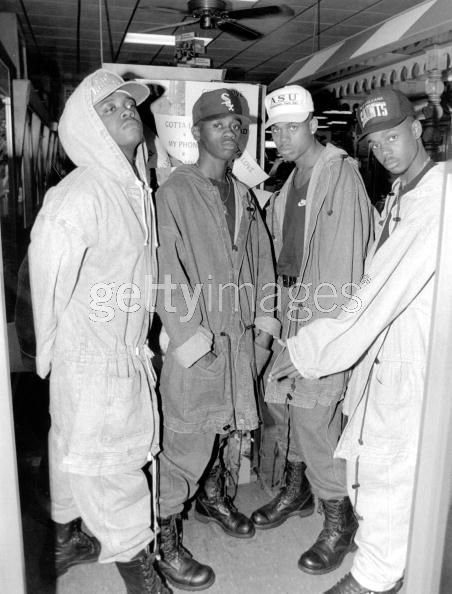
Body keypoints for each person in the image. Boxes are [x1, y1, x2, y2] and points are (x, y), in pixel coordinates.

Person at [270, 87, 446, 593]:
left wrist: (310, 350)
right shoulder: (402, 192)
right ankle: (384, 566)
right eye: (375, 141)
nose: (385, 150)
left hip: (409, 352)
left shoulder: (436, 200)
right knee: (376, 459)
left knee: (386, 466)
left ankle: (374, 579)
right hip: (383, 344)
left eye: (394, 136)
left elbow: (374, 291)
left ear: (417, 129)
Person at [28, 68, 171, 594]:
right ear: (86, 130)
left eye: (128, 103)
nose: (126, 109)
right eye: (108, 108)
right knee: (113, 470)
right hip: (93, 360)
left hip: (115, 352)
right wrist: (48, 353)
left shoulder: (132, 189)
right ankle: (141, 578)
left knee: (75, 453)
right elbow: (45, 279)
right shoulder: (82, 193)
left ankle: (67, 539)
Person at [154, 87, 280, 591]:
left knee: (225, 430)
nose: (230, 133)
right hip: (198, 345)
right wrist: (191, 342)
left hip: (238, 341)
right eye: (218, 124)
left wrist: (265, 330)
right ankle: (161, 539)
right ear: (196, 131)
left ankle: (212, 498)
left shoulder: (244, 196)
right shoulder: (174, 193)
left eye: (237, 126)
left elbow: (264, 266)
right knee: (185, 441)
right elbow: (165, 271)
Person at [250, 84, 374, 576]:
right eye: (275, 129)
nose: (281, 137)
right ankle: (298, 489)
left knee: (315, 414)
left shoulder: (339, 175)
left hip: (323, 312)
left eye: (290, 127)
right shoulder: (292, 178)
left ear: (313, 125)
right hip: (291, 306)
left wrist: (324, 338)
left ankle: (340, 519)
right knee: (282, 401)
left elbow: (344, 265)